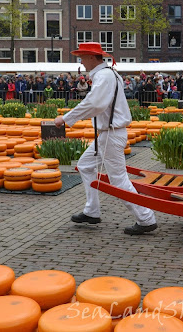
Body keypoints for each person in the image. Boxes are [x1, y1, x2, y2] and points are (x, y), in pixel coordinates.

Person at [54, 42, 157, 235]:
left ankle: (145, 218)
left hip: (111, 134)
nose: (81, 62)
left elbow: (95, 103)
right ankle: (92, 210)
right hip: (109, 134)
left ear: (92, 58)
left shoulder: (104, 76)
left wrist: (66, 118)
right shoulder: (107, 74)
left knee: (119, 179)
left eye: (82, 57)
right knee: (85, 165)